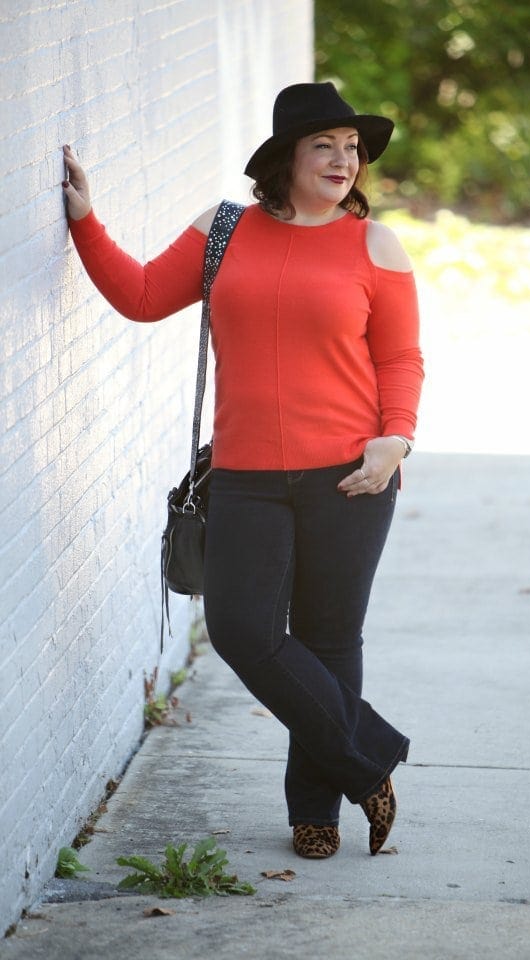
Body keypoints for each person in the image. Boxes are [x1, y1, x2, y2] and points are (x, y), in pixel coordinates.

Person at [62, 82, 424, 860]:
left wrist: (396, 439)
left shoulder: (375, 245)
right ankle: (371, 764)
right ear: (285, 157)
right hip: (247, 476)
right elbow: (142, 294)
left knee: (329, 639)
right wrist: (86, 221)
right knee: (240, 630)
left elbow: (398, 356)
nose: (343, 160)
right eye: (324, 145)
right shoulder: (223, 231)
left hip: (349, 477)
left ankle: (314, 813)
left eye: (352, 147)